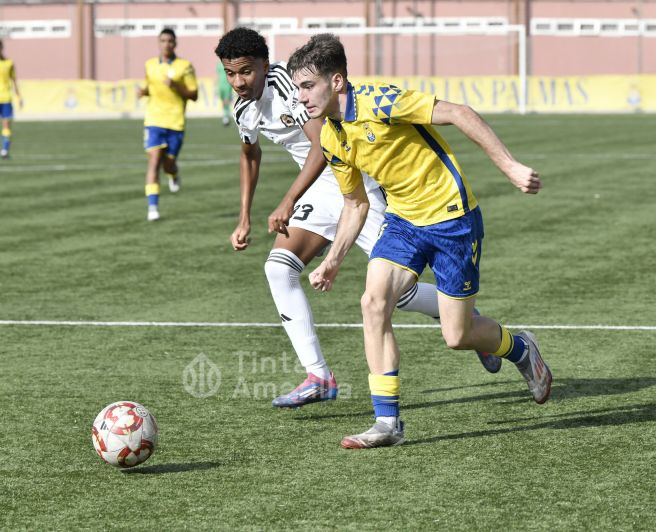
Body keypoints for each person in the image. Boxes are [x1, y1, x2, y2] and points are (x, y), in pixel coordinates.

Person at [287, 34, 552, 448]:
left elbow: (459, 113)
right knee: (373, 303)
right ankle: (387, 424)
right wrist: (333, 260)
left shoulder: (380, 102)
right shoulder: (331, 137)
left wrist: (510, 167)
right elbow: (355, 204)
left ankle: (519, 349)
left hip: (453, 220)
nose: (300, 97)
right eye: (297, 88)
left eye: (307, 86)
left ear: (336, 81)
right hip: (403, 223)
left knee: (457, 336)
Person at [214, 28, 500, 409]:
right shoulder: (242, 107)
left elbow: (323, 145)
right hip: (319, 189)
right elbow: (250, 153)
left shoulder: (288, 84)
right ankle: (318, 375)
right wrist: (244, 217)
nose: (238, 82)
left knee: (400, 294)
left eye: (246, 71)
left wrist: (287, 199)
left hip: (356, 184)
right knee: (278, 269)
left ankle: (468, 319)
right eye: (230, 74)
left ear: (265, 65)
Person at [136, 28, 198, 221]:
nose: (166, 44)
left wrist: (176, 86)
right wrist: (143, 92)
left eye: (170, 41)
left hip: (175, 122)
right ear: (158, 42)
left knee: (168, 164)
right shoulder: (150, 65)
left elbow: (193, 95)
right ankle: (152, 207)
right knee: (154, 161)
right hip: (154, 120)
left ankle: (173, 173)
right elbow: (149, 86)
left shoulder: (185, 66)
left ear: (175, 43)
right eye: (163, 40)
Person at [216, 61, 233, 126]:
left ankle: (226, 117)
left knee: (226, 101)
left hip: (227, 85)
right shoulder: (219, 65)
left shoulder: (229, 64)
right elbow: (218, 75)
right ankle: (225, 115)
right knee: (223, 102)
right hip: (220, 86)